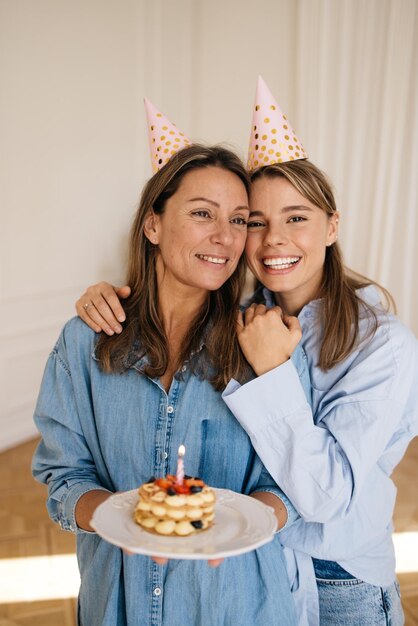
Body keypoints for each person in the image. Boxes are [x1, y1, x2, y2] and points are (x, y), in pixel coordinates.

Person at [77, 79, 418, 626]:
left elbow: (323, 498)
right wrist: (105, 294)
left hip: (338, 579)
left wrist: (274, 370)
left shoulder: (385, 345)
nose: (272, 239)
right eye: (253, 222)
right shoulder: (235, 318)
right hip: (254, 574)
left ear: (332, 226)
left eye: (297, 217)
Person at [32, 101, 302, 626]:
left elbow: (290, 482)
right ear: (153, 224)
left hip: (234, 605)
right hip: (118, 604)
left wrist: (241, 527)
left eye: (238, 220)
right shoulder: (84, 343)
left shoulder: (264, 342)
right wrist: (124, 521)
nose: (224, 236)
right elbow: (63, 478)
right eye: (202, 213)